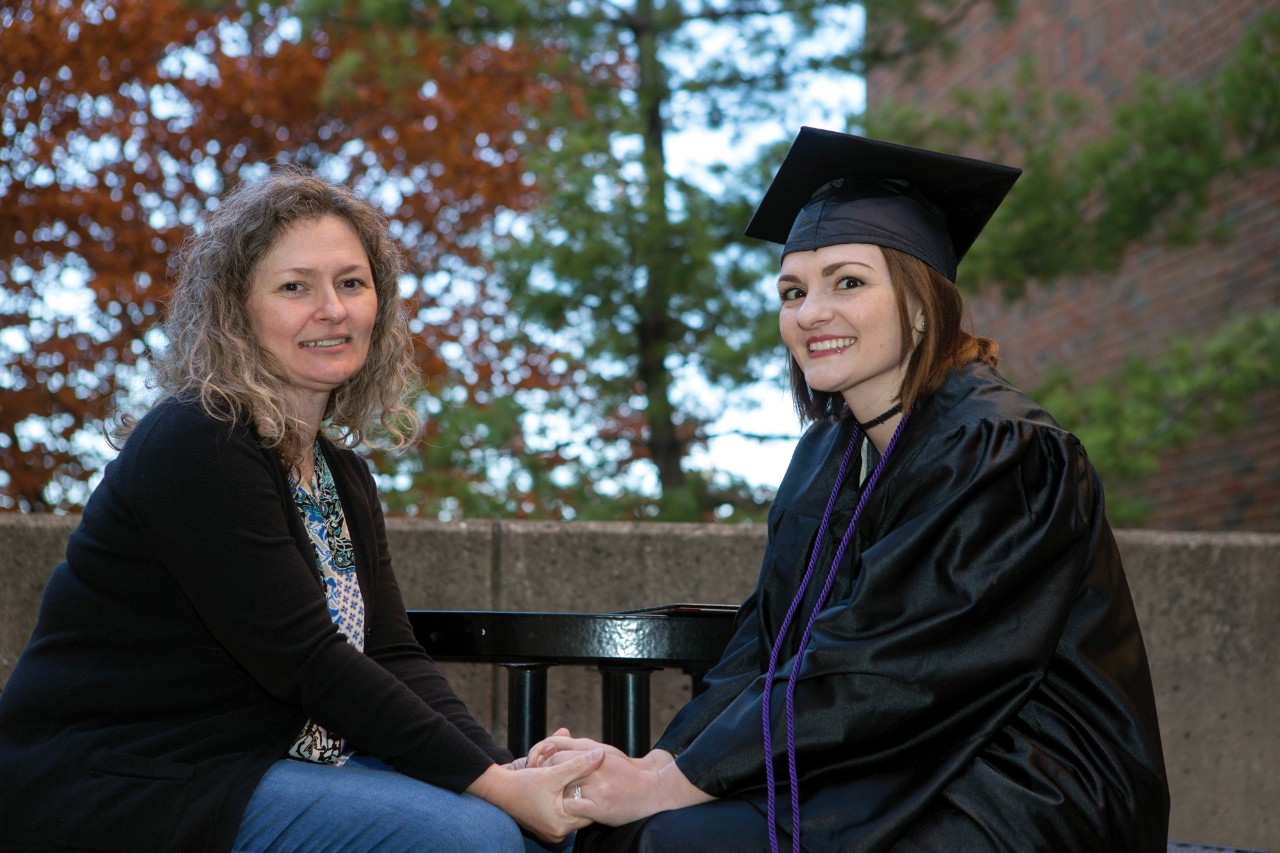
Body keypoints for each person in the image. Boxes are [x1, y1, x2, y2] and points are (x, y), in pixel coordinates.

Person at [530, 128, 1170, 851]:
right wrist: (661, 763)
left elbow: (894, 668)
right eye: (792, 292)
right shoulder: (825, 457)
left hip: (1020, 778)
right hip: (889, 754)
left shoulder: (1002, 449)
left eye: (848, 281)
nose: (810, 313)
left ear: (924, 304)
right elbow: (764, 648)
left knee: (676, 842)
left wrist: (677, 784)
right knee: (623, 833)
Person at [0, 167, 601, 852]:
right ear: (236, 311)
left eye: (351, 282)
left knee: (556, 833)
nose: (333, 309)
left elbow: (393, 654)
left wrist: (504, 768)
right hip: (128, 775)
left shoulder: (340, 473)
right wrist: (494, 790)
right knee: (469, 834)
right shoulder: (197, 441)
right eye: (295, 287)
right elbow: (310, 661)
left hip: (264, 764)